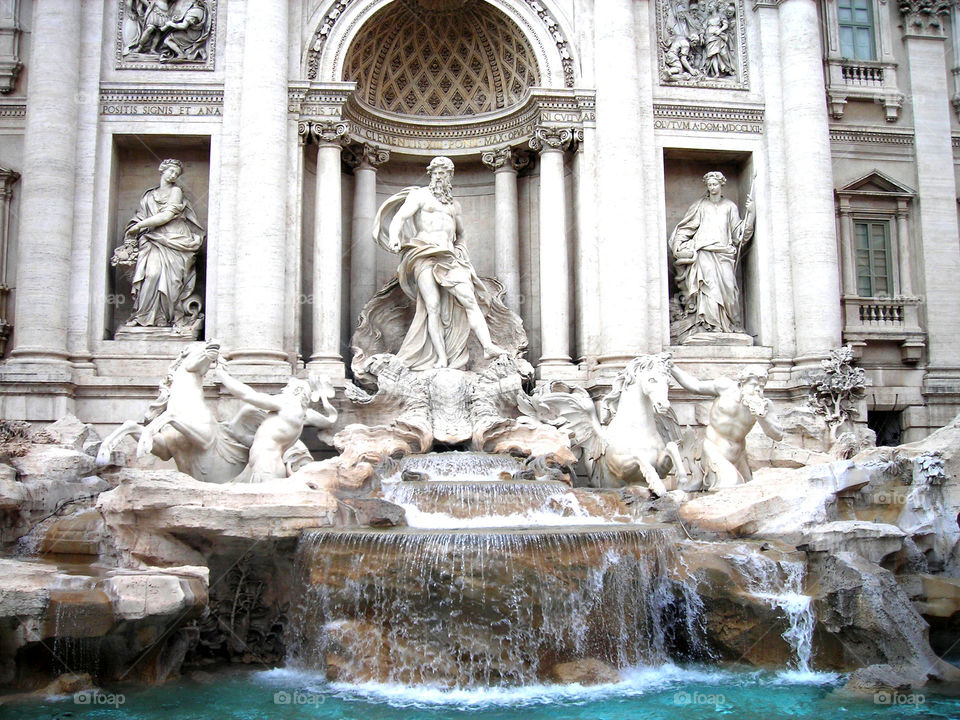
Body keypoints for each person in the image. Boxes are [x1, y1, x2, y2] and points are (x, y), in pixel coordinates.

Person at [372, 156, 507, 370]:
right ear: (430, 174)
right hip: (423, 253)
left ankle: (488, 346)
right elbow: (400, 217)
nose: (439, 176)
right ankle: (441, 359)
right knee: (432, 306)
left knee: (469, 299)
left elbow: (461, 234)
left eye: (443, 173)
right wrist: (395, 236)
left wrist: (461, 250)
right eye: (435, 172)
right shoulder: (420, 196)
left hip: (449, 257)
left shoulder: (454, 205)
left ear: (450, 176)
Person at [113, 159, 205, 330]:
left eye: (177, 174)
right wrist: (135, 228)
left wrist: (138, 227)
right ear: (162, 170)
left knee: (173, 281)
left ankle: (165, 318)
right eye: (171, 171)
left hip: (175, 239)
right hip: (152, 239)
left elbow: (166, 216)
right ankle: (143, 316)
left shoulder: (176, 191)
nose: (173, 175)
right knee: (152, 274)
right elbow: (139, 216)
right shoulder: (149, 196)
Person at [669, 170, 754, 341]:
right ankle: (710, 325)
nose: (712, 187)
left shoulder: (730, 206)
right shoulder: (700, 206)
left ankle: (729, 324)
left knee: (729, 289)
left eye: (715, 184)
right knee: (709, 290)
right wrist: (679, 245)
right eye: (709, 185)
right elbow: (686, 228)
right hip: (704, 252)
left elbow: (739, 234)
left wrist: (751, 214)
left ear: (721, 185)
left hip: (724, 254)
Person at [215, 366, 338, 483]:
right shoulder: (303, 415)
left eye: (288, 387)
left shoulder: (287, 403)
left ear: (297, 390)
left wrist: (222, 375)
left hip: (266, 467)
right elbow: (328, 421)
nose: (283, 390)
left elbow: (248, 395)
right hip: (267, 466)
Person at [669, 364, 783, 490]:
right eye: (754, 385)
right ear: (742, 383)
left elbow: (777, 435)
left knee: (747, 492)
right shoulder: (725, 387)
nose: (757, 390)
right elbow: (695, 386)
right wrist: (672, 368)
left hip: (739, 456)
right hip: (714, 449)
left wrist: (762, 417)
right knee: (731, 483)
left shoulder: (765, 405)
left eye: (761, 386)